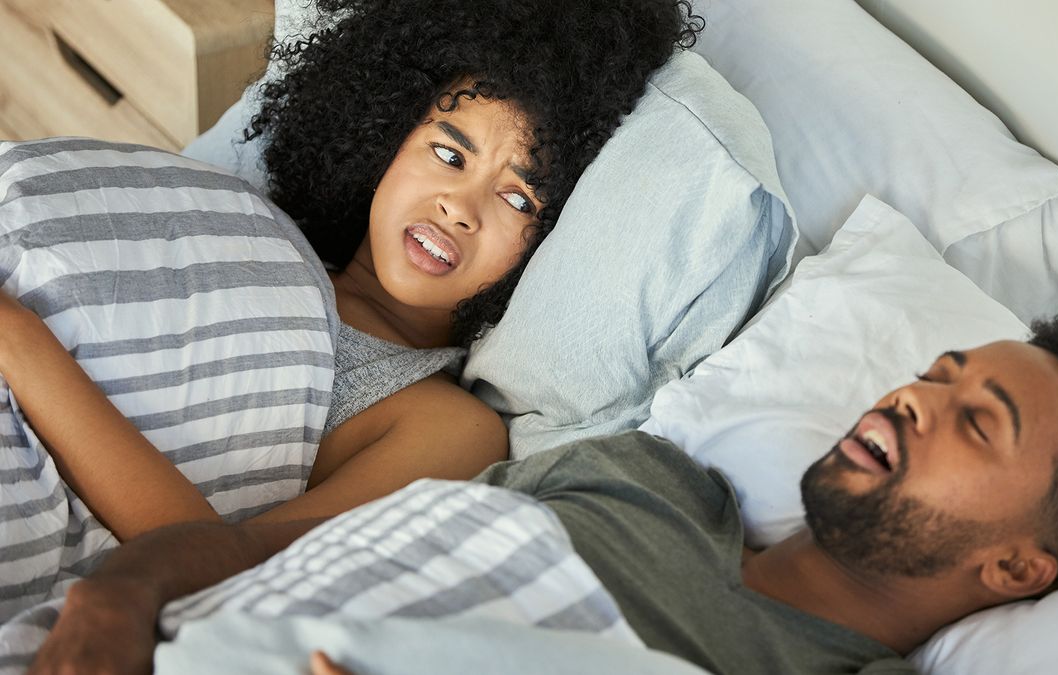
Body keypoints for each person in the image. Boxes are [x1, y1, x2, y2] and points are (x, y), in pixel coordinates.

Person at [27, 311, 1058, 673]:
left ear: (1019, 569)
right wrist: (111, 601)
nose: (916, 397)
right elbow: (259, 546)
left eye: (977, 420)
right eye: (937, 372)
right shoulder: (644, 474)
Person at [0, 0, 701, 546]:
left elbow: (216, 568)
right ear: (386, 136)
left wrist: (19, 339)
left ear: (549, 240)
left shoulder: (445, 424)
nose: (459, 206)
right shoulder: (247, 226)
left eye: (518, 197)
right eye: (450, 154)